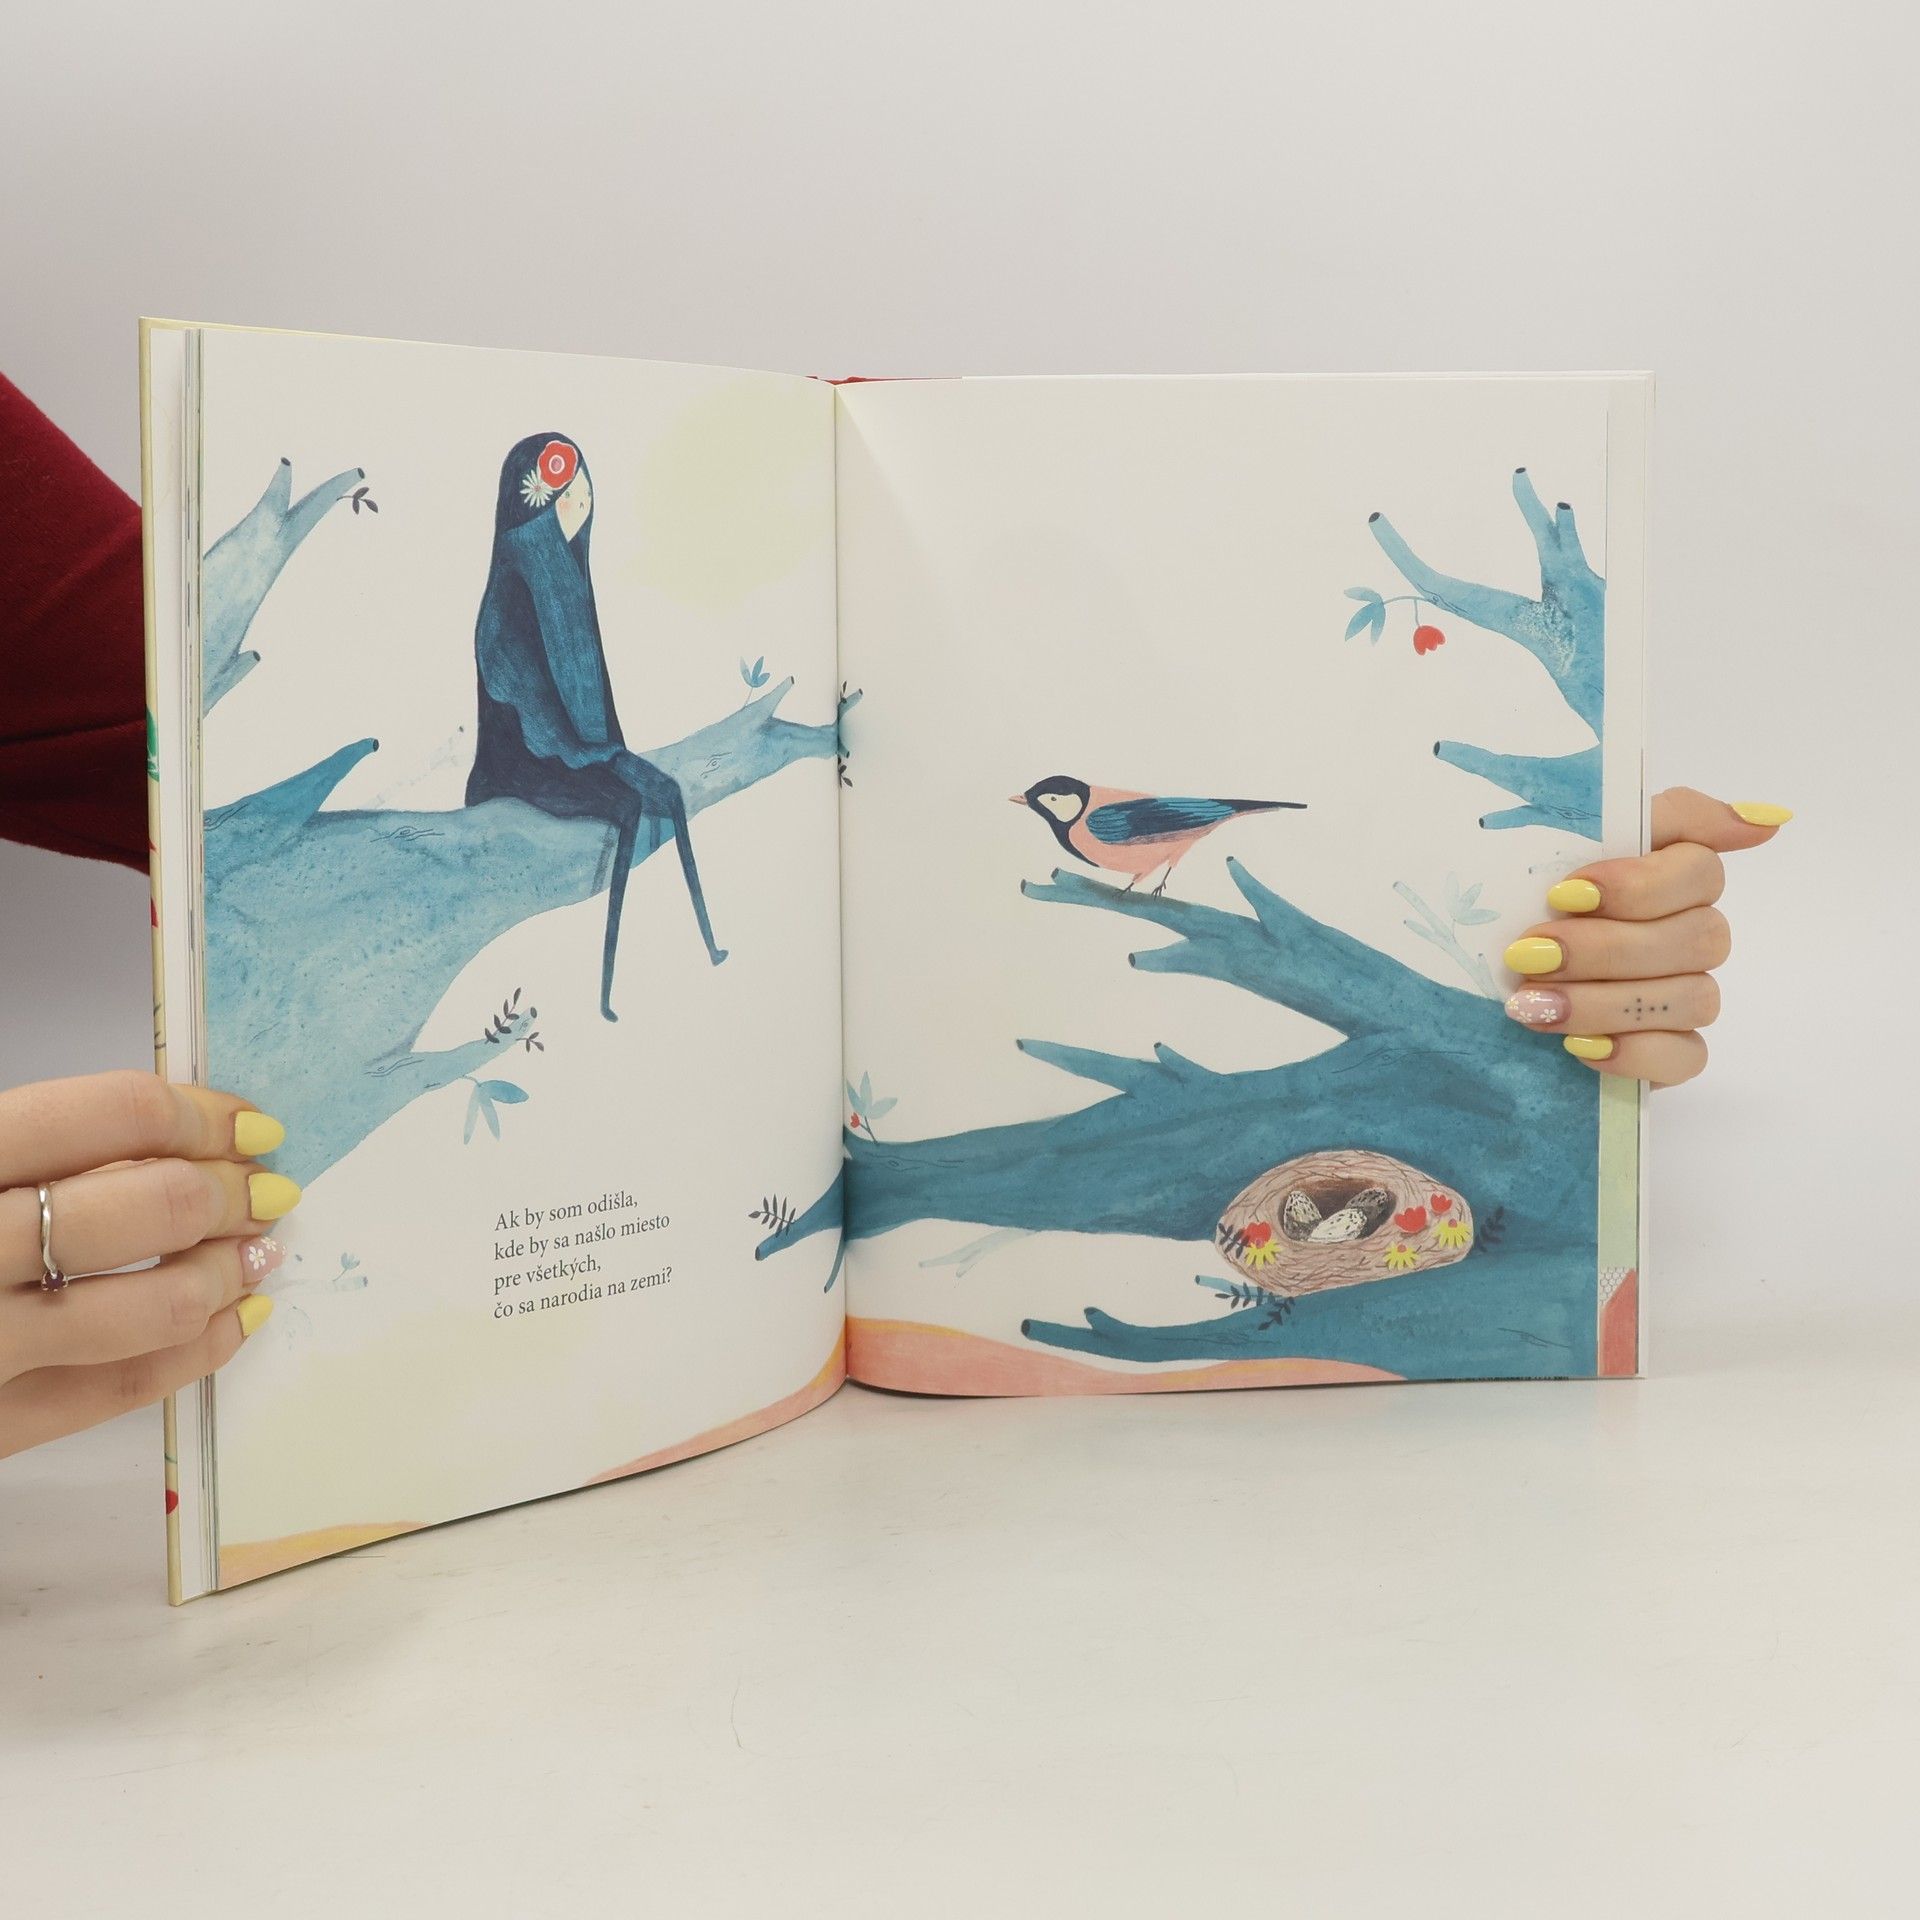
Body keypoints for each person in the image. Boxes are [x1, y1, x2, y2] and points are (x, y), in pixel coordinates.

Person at [0, 371, 1789, 1458]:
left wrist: (1513, 903)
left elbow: (152, 733)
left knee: (664, 814)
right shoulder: (513, 567)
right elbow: (499, 681)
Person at [466, 431, 727, 1022]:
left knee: (668, 793)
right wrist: (592, 756)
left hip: (581, 749)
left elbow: (590, 694)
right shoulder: (510, 590)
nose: (579, 509)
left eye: (583, 496)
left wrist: (608, 751)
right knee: (628, 808)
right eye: (564, 499)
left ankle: (707, 945)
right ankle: (606, 991)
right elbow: (522, 697)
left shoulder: (567, 573)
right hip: (521, 765)